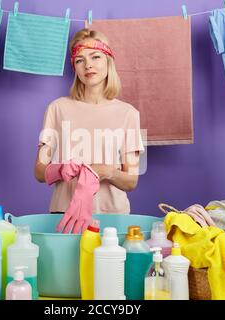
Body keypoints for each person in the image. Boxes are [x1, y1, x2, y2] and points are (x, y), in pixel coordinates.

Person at [34, 28, 145, 232]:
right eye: (80, 60)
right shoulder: (56, 109)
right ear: (74, 67)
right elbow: (39, 171)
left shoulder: (129, 113)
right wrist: (59, 169)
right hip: (64, 214)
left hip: (113, 218)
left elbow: (132, 181)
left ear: (108, 60)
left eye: (95, 57)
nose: (88, 65)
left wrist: (109, 172)